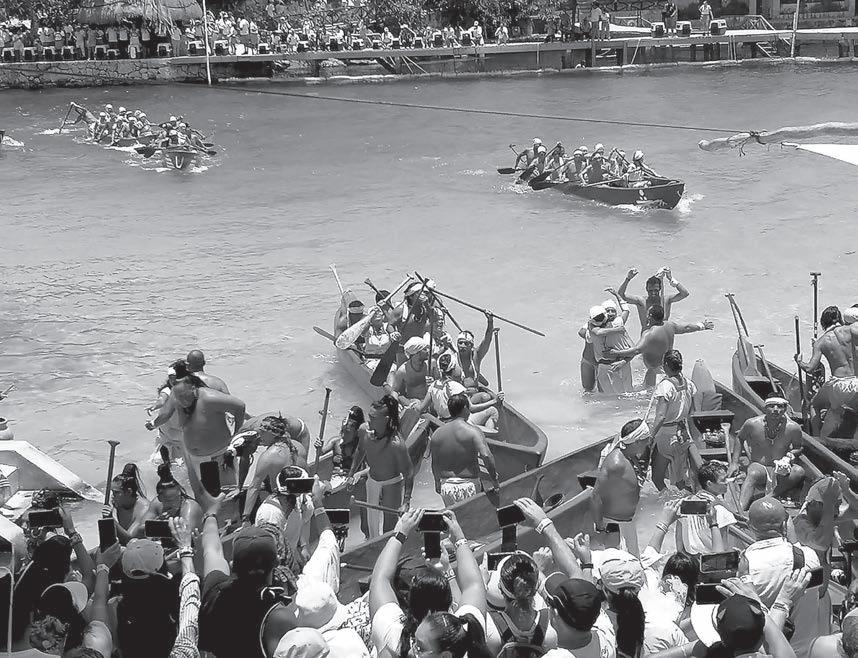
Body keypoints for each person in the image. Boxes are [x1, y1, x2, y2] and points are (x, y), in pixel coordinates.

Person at [369, 508, 487, 658]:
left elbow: (381, 579)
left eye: (420, 647)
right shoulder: (468, 634)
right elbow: (473, 585)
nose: (411, 651)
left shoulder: (395, 637)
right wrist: (459, 538)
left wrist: (400, 533)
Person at [741, 496, 823, 656]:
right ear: (785, 524)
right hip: (806, 652)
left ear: (750, 526)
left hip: (767, 653)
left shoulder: (743, 568)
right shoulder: (809, 557)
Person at [146, 372, 246, 499]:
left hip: (209, 451)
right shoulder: (172, 395)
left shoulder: (205, 398)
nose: (181, 400)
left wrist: (236, 434)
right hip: (179, 445)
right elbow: (163, 405)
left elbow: (238, 406)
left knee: (221, 490)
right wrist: (154, 419)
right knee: (166, 470)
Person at [346, 396, 414, 538]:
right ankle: (372, 545)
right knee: (369, 526)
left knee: (389, 527)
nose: (369, 420)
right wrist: (351, 474)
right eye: (369, 416)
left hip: (392, 484)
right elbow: (360, 450)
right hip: (372, 480)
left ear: (386, 419)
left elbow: (408, 472)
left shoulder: (396, 444)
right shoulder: (364, 430)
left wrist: (406, 502)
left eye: (373, 418)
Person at [730, 394, 806, 511]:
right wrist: (734, 463)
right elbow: (739, 438)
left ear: (785, 409)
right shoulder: (752, 424)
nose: (776, 409)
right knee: (753, 473)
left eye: (780, 406)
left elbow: (798, 447)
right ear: (765, 408)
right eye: (772, 406)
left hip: (781, 469)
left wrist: (789, 456)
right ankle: (740, 510)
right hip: (760, 467)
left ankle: (768, 497)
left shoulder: (793, 428)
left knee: (799, 471)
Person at [608, 305, 714, 388]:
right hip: (668, 368)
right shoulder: (670, 325)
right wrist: (702, 326)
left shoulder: (649, 334)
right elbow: (686, 328)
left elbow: (636, 350)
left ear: (650, 316)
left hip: (656, 374)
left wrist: (616, 353)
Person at [592, 418, 651, 556]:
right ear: (636, 441)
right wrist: (600, 528)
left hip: (627, 522)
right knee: (620, 564)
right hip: (614, 526)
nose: (648, 442)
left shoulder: (630, 457)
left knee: (634, 562)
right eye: (646, 439)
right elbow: (595, 496)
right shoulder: (616, 463)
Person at [430, 392, 500, 506]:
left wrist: (437, 483)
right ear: (464, 408)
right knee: (473, 516)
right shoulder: (473, 431)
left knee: (453, 516)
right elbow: (486, 455)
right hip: (469, 484)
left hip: (446, 486)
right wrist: (494, 479)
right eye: (469, 407)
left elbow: (435, 463)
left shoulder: (437, 434)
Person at [237, 413, 310, 522]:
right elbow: (306, 476)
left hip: (282, 505)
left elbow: (254, 487)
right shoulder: (298, 447)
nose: (259, 435)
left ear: (272, 434)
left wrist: (245, 518)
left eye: (262, 432)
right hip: (300, 503)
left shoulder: (268, 456)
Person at [644, 350, 698, 491]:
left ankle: (667, 500)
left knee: (657, 478)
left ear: (666, 365)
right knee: (680, 480)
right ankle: (690, 499)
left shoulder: (665, 386)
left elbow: (661, 416)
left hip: (666, 437)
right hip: (682, 435)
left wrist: (650, 437)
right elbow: (692, 412)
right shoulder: (689, 384)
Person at [677, 460, 737, 555]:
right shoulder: (720, 510)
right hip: (711, 560)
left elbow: (679, 544)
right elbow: (723, 550)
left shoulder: (684, 505)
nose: (727, 482)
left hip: (690, 559)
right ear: (709, 484)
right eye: (723, 480)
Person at [254, 466, 315, 558]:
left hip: (290, 555)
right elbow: (269, 550)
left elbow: (304, 519)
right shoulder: (271, 514)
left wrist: (304, 546)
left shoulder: (297, 498)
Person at [132, 462, 203, 534]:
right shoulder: (157, 504)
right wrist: (158, 521)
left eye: (176, 498)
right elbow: (139, 530)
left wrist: (165, 524)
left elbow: (186, 533)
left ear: (179, 493)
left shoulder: (190, 507)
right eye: (169, 500)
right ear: (160, 499)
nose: (173, 503)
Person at [617, 267, 689, 331]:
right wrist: (628, 279)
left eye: (656, 290)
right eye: (650, 290)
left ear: (660, 289)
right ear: (646, 289)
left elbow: (685, 293)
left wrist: (671, 279)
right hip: (647, 338)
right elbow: (621, 295)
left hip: (663, 337)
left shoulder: (666, 300)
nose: (653, 293)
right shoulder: (641, 301)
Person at [588, 302, 634, 395]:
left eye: (612, 311)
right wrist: (618, 330)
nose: (610, 314)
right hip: (603, 367)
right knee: (612, 397)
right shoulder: (592, 326)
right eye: (607, 311)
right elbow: (598, 332)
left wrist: (623, 361)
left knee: (626, 394)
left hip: (619, 364)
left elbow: (634, 349)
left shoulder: (617, 323)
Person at [147, 361, 185, 463]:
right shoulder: (168, 391)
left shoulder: (188, 392)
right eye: (170, 377)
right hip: (171, 436)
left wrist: (153, 424)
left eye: (174, 376)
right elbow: (161, 400)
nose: (172, 379)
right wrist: (154, 407)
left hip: (177, 436)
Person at [102, 463, 148, 545]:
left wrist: (111, 520)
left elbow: (129, 540)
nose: (113, 496)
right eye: (112, 492)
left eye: (116, 492)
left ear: (129, 492)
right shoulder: (117, 501)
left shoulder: (144, 509)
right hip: (122, 544)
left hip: (139, 546)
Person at [385, 337, 431, 406]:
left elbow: (440, 383)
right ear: (416, 353)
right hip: (414, 403)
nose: (428, 351)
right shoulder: (403, 371)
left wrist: (433, 383)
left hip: (430, 401)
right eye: (424, 349)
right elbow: (395, 391)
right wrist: (395, 404)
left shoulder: (430, 364)